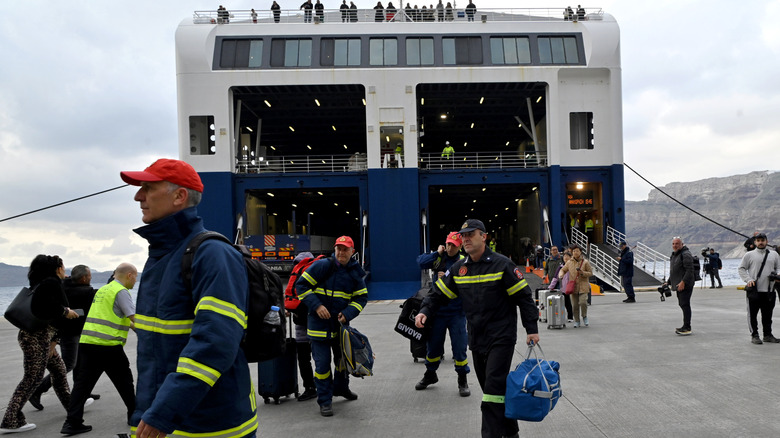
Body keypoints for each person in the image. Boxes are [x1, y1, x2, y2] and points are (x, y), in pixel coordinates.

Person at [120, 158, 256, 438]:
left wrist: (164, 412)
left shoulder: (213, 254)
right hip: (163, 420)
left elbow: (214, 342)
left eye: (147, 187)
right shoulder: (162, 256)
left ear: (179, 196)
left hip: (210, 426)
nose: (138, 196)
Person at [415, 219, 539, 438]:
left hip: (501, 337)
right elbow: (438, 292)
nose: (465, 239)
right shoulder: (459, 269)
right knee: (493, 390)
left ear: (484, 236)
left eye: (471, 234)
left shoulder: (502, 265)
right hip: (477, 337)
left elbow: (524, 297)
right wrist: (425, 310)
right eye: (463, 236)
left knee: (491, 391)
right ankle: (511, 432)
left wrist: (531, 328)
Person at [1, 255, 79, 434]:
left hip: (39, 338)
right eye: (63, 266)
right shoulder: (51, 283)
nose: (65, 269)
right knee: (33, 378)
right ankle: (11, 420)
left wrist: (53, 341)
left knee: (59, 372)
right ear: (57, 268)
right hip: (36, 339)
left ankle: (74, 408)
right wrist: (65, 311)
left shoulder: (41, 283)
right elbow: (43, 307)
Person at [60, 263, 138, 435]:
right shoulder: (121, 292)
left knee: (82, 386)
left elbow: (117, 316)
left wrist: (131, 326)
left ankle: (71, 423)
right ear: (130, 275)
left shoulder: (103, 290)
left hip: (88, 343)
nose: (136, 280)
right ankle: (134, 415)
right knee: (125, 381)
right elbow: (134, 317)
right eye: (136, 276)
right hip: (108, 346)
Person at [296, 236, 368, 417]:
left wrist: (348, 313)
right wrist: (317, 306)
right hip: (318, 327)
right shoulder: (322, 266)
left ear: (352, 252)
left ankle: (342, 388)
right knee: (322, 366)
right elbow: (301, 286)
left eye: (345, 249)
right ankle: (325, 401)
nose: (341, 252)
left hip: (340, 327)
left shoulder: (355, 273)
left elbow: (361, 298)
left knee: (342, 362)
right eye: (339, 249)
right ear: (335, 250)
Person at [28, 264, 97, 411]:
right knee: (68, 364)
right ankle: (38, 390)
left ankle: (82, 392)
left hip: (66, 331)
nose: (91, 278)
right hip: (69, 332)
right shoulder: (87, 292)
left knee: (79, 362)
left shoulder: (63, 284)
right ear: (84, 278)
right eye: (90, 276)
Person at [415, 232, 470, 396]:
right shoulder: (440, 258)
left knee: (459, 348)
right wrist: (436, 253)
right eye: (448, 244)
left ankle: (462, 379)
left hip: (456, 312)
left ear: (460, 246)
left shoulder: (464, 263)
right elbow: (420, 262)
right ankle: (430, 374)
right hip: (437, 310)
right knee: (433, 347)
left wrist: (446, 277)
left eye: (453, 245)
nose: (450, 247)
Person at [287, 252, 318, 402]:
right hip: (316, 321)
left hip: (300, 323)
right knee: (320, 357)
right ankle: (325, 385)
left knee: (304, 358)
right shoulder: (317, 271)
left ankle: (310, 388)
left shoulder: (296, 272)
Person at [738, 233, 780, 344]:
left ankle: (767, 335)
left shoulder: (774, 254)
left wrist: (777, 276)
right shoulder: (749, 255)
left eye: (763, 240)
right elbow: (741, 269)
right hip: (754, 291)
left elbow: (779, 267)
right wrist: (748, 280)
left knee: (768, 315)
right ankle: (754, 335)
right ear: (755, 242)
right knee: (752, 314)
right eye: (758, 240)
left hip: (769, 290)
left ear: (767, 241)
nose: (760, 242)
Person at [666, 237, 695, 336]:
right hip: (679, 284)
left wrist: (683, 282)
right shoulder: (675, 255)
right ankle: (685, 326)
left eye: (677, 244)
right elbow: (674, 271)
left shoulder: (685, 254)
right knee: (682, 304)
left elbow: (689, 270)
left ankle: (687, 327)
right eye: (673, 244)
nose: (675, 245)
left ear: (682, 244)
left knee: (685, 304)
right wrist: (668, 282)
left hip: (685, 285)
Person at [558, 244, 592, 327]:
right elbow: (563, 269)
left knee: (583, 302)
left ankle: (584, 316)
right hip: (573, 286)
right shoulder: (569, 262)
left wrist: (583, 273)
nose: (575, 252)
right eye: (573, 251)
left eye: (577, 251)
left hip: (583, 286)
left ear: (580, 252)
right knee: (575, 305)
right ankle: (577, 321)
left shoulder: (585, 262)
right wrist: (561, 274)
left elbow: (590, 273)